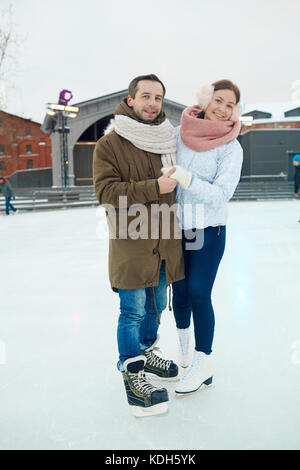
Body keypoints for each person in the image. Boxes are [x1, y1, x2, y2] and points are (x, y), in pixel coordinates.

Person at [93, 74, 185, 417]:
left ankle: (146, 353)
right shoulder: (110, 143)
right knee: (132, 311)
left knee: (157, 305)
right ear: (130, 99)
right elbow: (105, 193)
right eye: (146, 96)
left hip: (163, 244)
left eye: (158, 98)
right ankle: (132, 372)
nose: (152, 103)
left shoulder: (167, 140)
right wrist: (154, 188)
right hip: (131, 244)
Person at [165, 80, 243, 395]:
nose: (223, 108)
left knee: (199, 292)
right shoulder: (180, 133)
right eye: (219, 100)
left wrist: (186, 178)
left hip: (208, 228)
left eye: (230, 104)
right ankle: (184, 348)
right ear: (207, 100)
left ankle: (203, 362)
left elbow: (221, 194)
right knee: (180, 292)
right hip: (177, 227)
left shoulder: (230, 147)